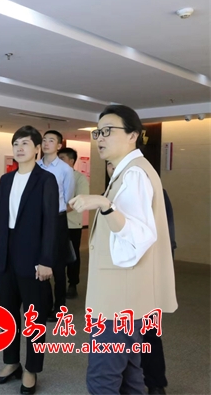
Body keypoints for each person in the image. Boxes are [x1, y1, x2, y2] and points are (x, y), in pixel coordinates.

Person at [69, 105, 177, 395]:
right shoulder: (129, 171)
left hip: (119, 298)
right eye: (97, 132)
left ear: (133, 135)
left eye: (108, 131)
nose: (100, 138)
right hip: (125, 296)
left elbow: (139, 235)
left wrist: (105, 205)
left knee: (103, 377)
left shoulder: (135, 175)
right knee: (130, 374)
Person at [0, 126, 57, 394]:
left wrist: (46, 260)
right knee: (7, 313)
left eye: (25, 143)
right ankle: (11, 362)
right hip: (6, 251)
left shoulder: (46, 180)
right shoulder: (6, 179)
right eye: (16, 143)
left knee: (34, 317)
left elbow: (51, 223)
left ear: (37, 149)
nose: (19, 148)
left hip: (33, 255)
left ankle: (32, 369)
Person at [105, 162, 177, 395]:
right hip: (119, 277)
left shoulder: (153, 190)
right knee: (122, 333)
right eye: (109, 164)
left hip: (146, 274)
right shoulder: (110, 194)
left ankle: (155, 383)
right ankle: (128, 381)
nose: (112, 167)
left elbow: (166, 237)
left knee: (148, 331)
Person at [36, 130, 74, 322]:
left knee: (58, 266)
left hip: (57, 219)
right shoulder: (35, 166)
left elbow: (68, 198)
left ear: (59, 146)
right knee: (39, 262)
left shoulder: (65, 170)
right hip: (37, 219)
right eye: (44, 140)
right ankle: (43, 305)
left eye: (51, 140)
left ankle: (59, 309)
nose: (46, 143)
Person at [57, 148, 89, 298]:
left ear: (71, 161)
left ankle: (73, 284)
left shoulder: (79, 178)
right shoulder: (54, 176)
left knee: (72, 255)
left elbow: (79, 202)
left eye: (62, 159)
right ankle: (59, 283)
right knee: (55, 255)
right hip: (55, 224)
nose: (58, 162)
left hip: (72, 225)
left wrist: (59, 213)